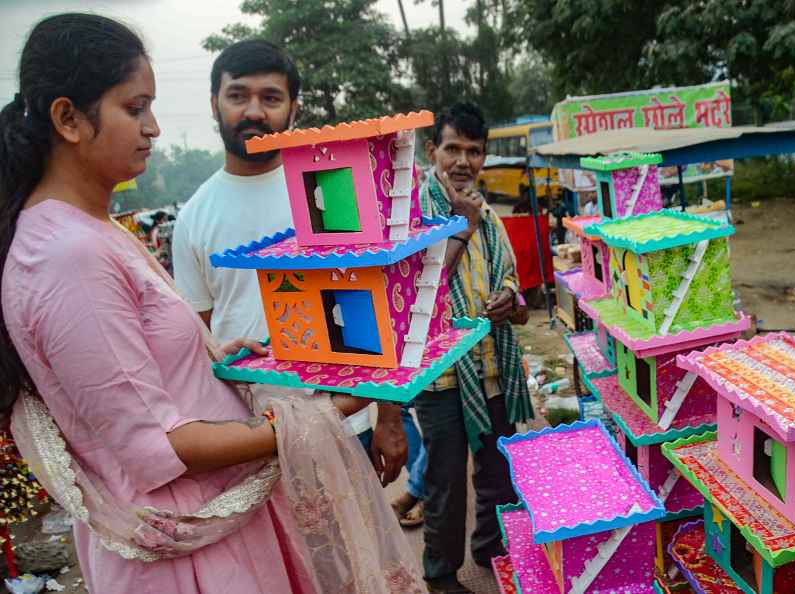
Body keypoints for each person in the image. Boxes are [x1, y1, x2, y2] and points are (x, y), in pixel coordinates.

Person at [0, 14, 424, 594]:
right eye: (134, 108)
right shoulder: (69, 254)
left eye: (150, 108)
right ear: (68, 119)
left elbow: (133, 380)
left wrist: (212, 359)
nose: (152, 129)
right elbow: (159, 448)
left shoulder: (88, 233)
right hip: (187, 552)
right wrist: (320, 415)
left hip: (221, 514)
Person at [172, 40, 407, 486]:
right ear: (215, 104)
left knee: (352, 553)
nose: (254, 111)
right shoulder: (193, 217)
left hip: (342, 418)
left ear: (293, 107)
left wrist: (390, 417)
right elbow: (196, 337)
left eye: (271, 98)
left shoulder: (330, 191)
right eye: (238, 95)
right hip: (248, 434)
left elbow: (377, 304)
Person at [415, 103, 534, 594]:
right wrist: (460, 227)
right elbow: (419, 290)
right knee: (445, 486)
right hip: (441, 377)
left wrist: (512, 301)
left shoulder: (491, 217)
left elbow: (515, 289)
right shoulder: (415, 215)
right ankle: (441, 577)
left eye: (474, 151)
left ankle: (492, 549)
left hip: (492, 371)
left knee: (498, 476)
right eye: (453, 149)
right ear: (432, 151)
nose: (463, 161)